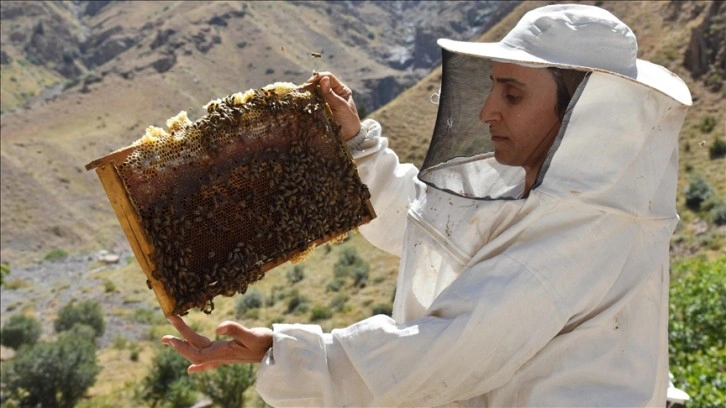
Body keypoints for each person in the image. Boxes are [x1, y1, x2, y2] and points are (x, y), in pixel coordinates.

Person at [162, 4, 692, 406]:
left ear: (584, 111)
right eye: (491, 90)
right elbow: (428, 225)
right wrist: (359, 147)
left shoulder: (578, 232)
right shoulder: (540, 192)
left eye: (512, 95)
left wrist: (290, 351)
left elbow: (448, 349)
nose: (487, 112)